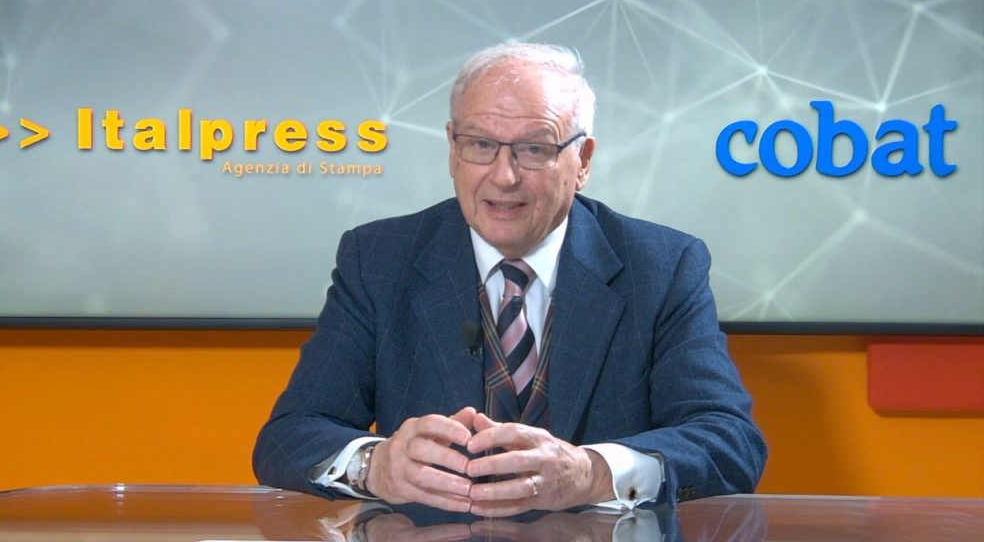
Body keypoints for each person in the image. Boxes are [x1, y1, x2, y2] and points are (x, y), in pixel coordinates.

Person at [253, 42, 766, 517]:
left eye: (534, 149)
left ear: (583, 160)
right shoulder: (379, 260)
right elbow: (288, 438)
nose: (504, 176)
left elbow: (729, 444)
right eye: (481, 144)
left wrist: (591, 473)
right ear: (452, 148)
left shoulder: (661, 266)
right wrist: (375, 466)